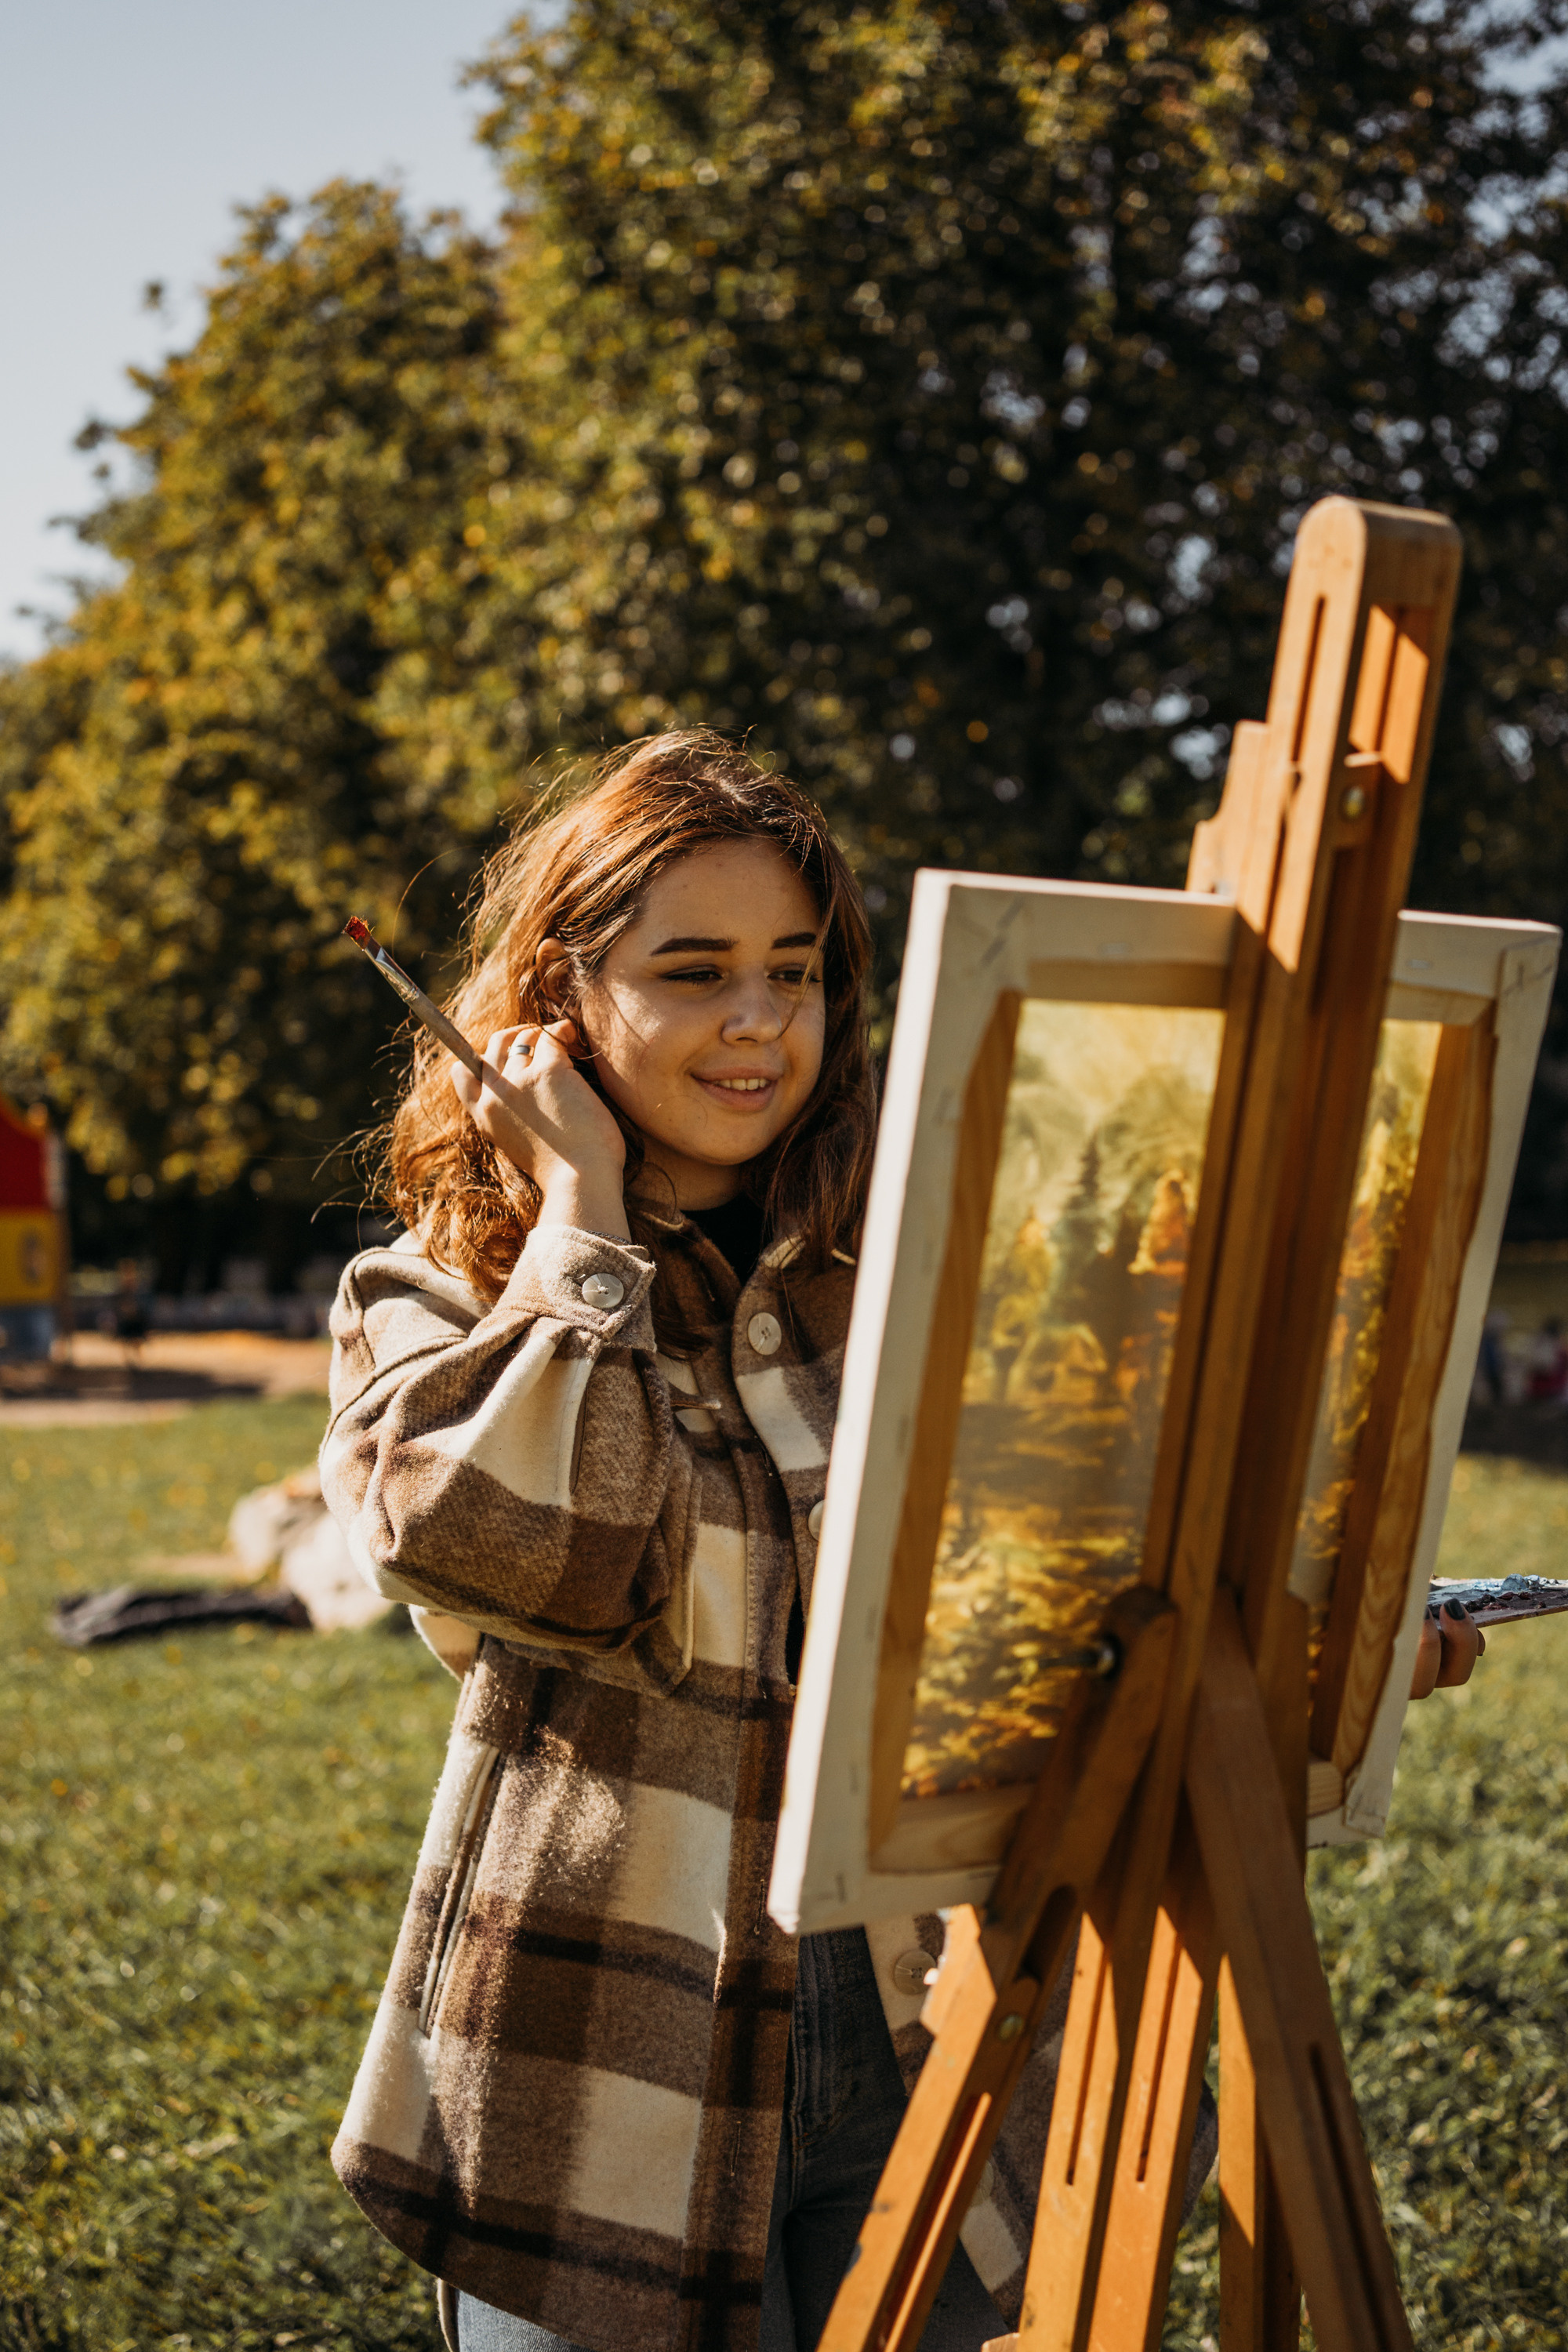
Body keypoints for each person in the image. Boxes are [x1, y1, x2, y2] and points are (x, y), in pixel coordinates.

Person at [318, 732, 1477, 2352]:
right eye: (695, 971)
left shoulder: (921, 1263)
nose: (758, 1019)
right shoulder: (435, 1295)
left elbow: (1071, 1571)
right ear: (557, 1002)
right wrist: (580, 1216)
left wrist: (1284, 1642)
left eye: (794, 971)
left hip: (943, 2033)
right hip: (604, 2061)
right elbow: (550, 1559)